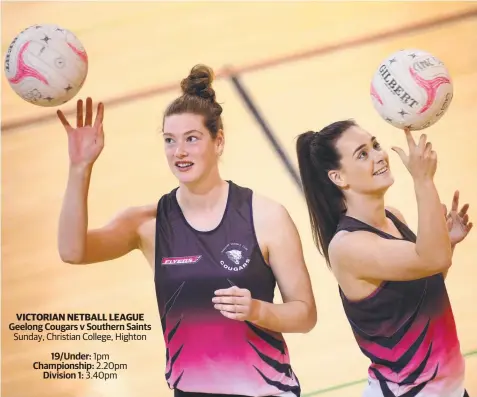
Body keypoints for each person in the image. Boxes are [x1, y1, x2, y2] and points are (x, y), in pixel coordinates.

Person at [56, 64, 317, 397]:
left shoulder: (266, 216)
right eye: (169, 140)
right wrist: (80, 169)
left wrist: (257, 310)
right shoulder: (149, 224)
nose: (179, 151)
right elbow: (72, 251)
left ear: (218, 141)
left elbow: (305, 314)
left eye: (191, 139)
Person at [295, 120, 473, 397]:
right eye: (362, 154)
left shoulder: (393, 218)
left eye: (375, 145)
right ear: (338, 178)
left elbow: (423, 282)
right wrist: (423, 179)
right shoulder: (348, 247)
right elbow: (432, 260)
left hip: (447, 389)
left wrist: (445, 243)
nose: (379, 156)